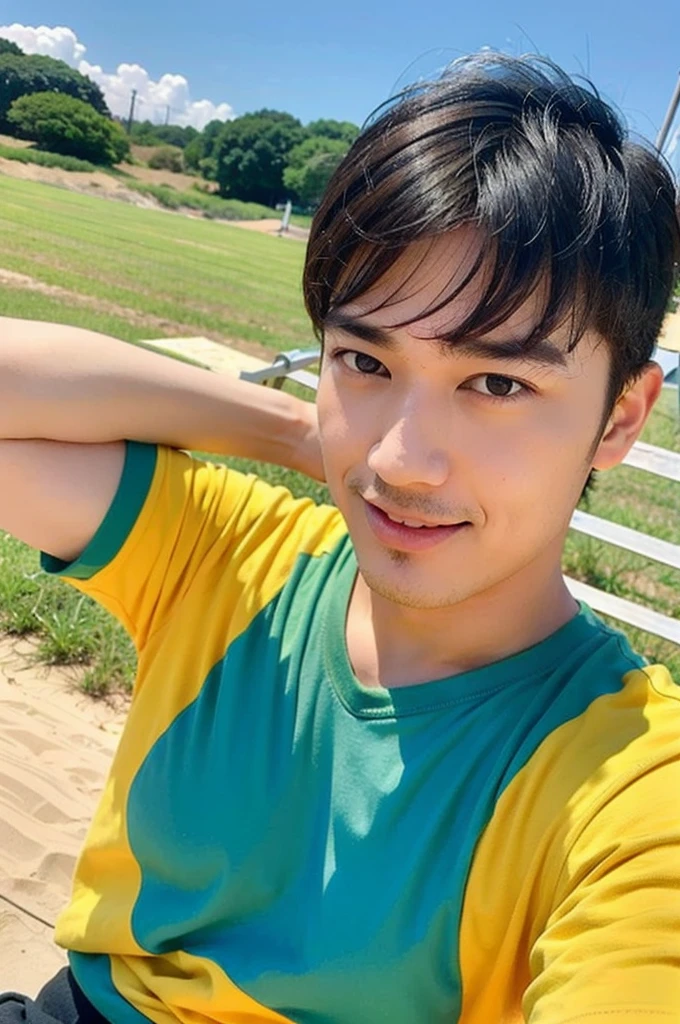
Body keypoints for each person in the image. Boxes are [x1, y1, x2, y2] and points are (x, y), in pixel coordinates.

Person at [0, 51, 679, 1024]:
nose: (402, 459)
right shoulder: (231, 560)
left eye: (495, 383)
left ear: (618, 417)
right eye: (363, 358)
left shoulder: (632, 787)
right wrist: (296, 434)